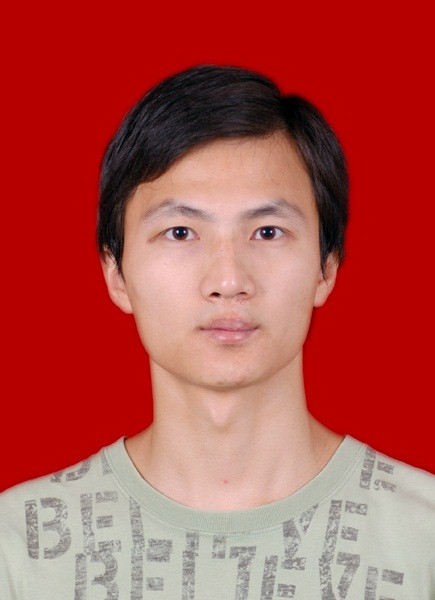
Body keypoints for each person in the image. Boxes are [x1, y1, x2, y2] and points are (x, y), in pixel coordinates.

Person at [1, 64, 434, 600]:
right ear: (116, 273)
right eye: (180, 232)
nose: (228, 281)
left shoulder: (424, 538)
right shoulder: (18, 548)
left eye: (267, 232)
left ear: (326, 268)